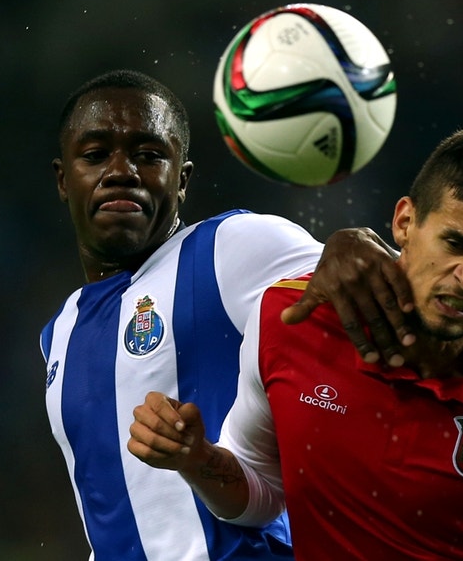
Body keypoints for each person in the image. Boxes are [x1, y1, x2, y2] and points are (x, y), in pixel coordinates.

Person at [128, 128, 463, 560]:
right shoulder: (289, 319)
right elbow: (262, 495)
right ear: (404, 221)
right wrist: (197, 460)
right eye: (455, 243)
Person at [40, 69, 416, 560]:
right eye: (94, 155)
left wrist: (349, 244)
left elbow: (385, 285)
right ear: (63, 179)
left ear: (182, 180)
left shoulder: (229, 247)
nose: (121, 171)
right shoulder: (59, 333)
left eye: (149, 155)